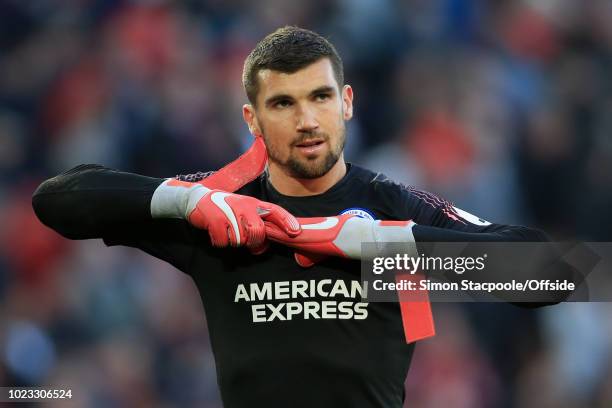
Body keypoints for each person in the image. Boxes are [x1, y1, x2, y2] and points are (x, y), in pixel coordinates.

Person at [32, 26, 564, 408]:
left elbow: (552, 273)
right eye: (283, 104)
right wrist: (187, 200)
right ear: (253, 119)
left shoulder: (393, 206)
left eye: (320, 97)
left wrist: (378, 244)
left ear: (347, 103)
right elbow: (57, 200)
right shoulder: (223, 210)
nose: (308, 120)